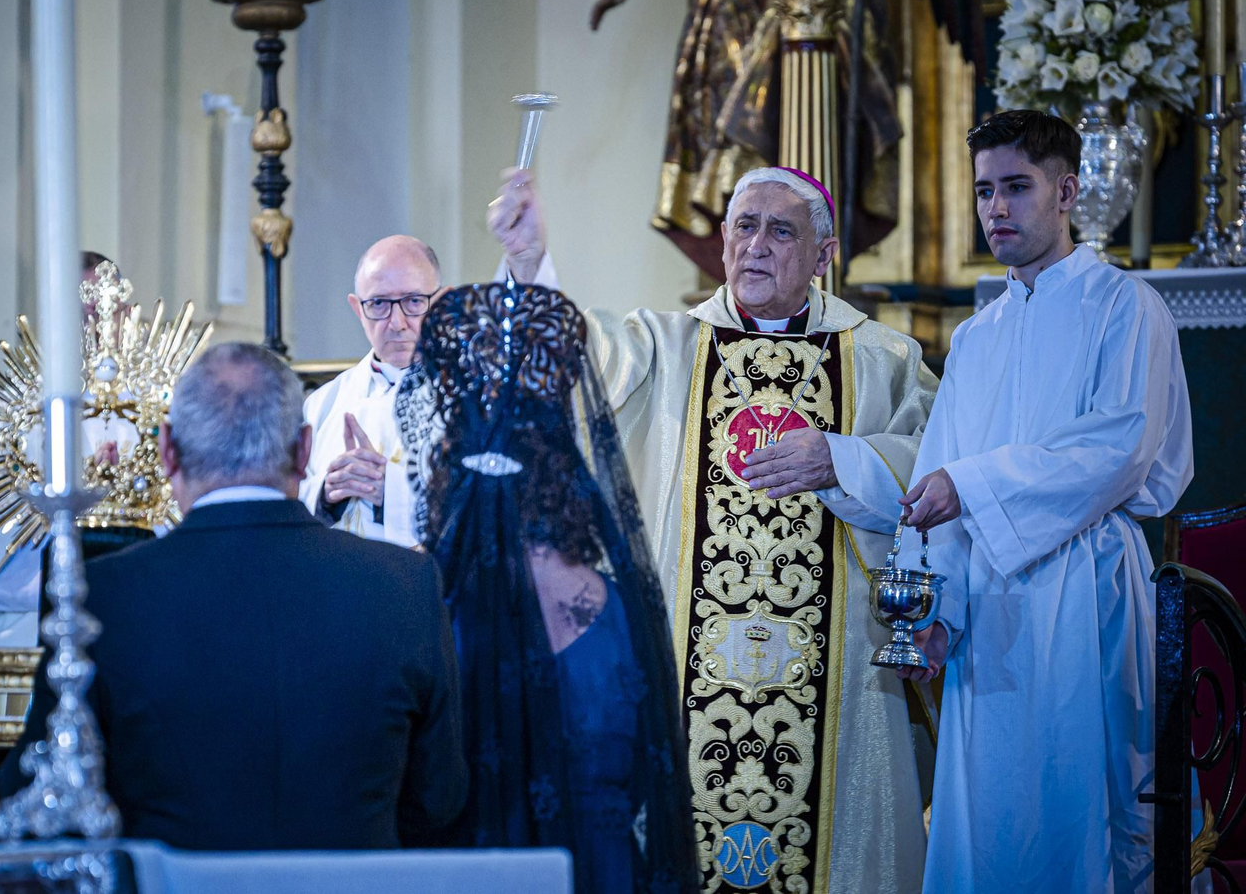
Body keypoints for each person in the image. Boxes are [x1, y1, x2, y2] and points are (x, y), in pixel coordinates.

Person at [489, 165, 938, 892]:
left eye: (780, 230)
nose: (755, 245)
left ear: (824, 256)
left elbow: (936, 471)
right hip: (687, 664)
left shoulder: (883, 360)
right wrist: (528, 260)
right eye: (743, 226)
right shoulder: (665, 347)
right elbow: (570, 364)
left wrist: (844, 458)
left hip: (838, 674)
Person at [0, 343, 466, 849]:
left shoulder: (102, 597)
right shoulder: (405, 585)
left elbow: (34, 796)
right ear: (305, 451)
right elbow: (439, 799)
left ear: (168, 450)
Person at [897, 110, 1193, 893]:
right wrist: (936, 606)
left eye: (1017, 188)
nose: (996, 208)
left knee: (1081, 810)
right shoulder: (976, 337)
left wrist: (973, 485)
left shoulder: (1125, 308)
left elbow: (1119, 449)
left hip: (1087, 588)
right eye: (985, 190)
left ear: (1066, 191)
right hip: (988, 606)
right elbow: (939, 475)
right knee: (987, 819)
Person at [397, 283, 698, 893]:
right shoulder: (618, 608)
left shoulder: (417, 603)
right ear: (564, 464)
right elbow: (651, 773)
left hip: (466, 875)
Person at [0, 251, 129, 649]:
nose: (98, 326)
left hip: (131, 626)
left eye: (110, 310)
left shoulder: (157, 418)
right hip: (18, 632)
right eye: (84, 310)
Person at [300, 235, 444, 547]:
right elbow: (288, 500)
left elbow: (495, 507)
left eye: (414, 302)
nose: (397, 323)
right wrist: (326, 493)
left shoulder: (474, 401)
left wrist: (391, 492)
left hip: (435, 590)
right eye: (378, 303)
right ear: (357, 308)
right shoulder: (322, 404)